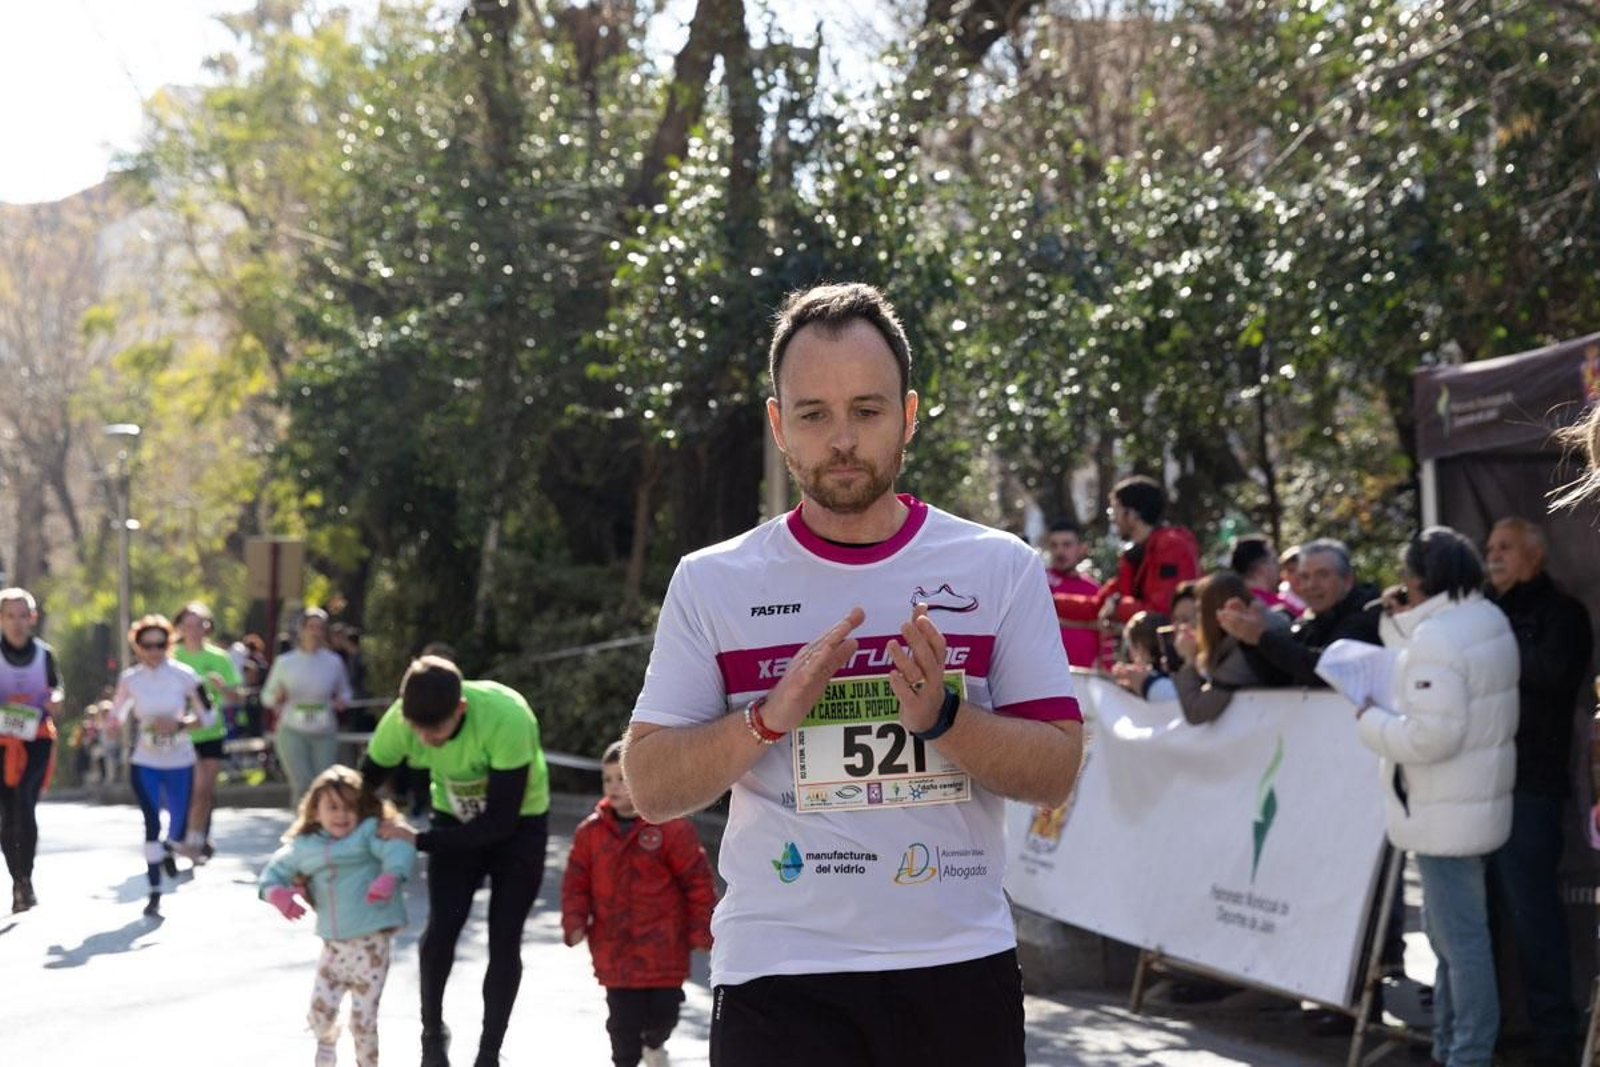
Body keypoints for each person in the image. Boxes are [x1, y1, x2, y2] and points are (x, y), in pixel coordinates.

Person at [623, 282, 1083, 1067]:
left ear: (909, 415)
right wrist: (767, 718)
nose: (842, 439)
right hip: (778, 973)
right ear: (779, 425)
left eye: (867, 411)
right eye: (814, 414)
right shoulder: (713, 580)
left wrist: (945, 718)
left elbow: (1056, 771)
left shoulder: (999, 566)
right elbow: (651, 785)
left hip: (956, 967)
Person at [1361, 526, 1518, 1067]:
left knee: (1459, 944)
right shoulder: (1486, 617)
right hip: (1472, 803)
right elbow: (1425, 663)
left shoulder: (1441, 636)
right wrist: (1397, 622)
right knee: (1454, 940)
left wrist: (1370, 721)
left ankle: (1466, 1054)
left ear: (1419, 578)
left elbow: (1431, 736)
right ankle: (1453, 1048)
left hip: (1444, 809)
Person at [358, 656, 551, 1067]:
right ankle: (432, 1034)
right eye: (417, 730)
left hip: (519, 824)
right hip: (452, 816)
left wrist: (420, 839)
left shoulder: (507, 717)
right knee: (442, 928)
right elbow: (358, 790)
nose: (425, 739)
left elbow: (499, 822)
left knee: (504, 938)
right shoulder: (400, 720)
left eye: (436, 731)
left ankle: (489, 1052)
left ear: (460, 709)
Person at [1484, 517, 1592, 1066]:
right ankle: (1491, 1032)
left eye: (1505, 547)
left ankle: (1554, 1042)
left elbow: (1551, 674)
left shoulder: (1563, 614)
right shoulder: (1482, 612)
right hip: (1476, 789)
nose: (1494, 556)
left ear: (1535, 556)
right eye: (1489, 548)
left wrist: (1489, 643)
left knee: (1534, 918)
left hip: (1530, 786)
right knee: (1480, 922)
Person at [562, 740, 716, 1067]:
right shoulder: (590, 833)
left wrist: (702, 930)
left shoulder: (671, 828)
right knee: (622, 1027)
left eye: (622, 778)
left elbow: (697, 881)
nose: (614, 786)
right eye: (608, 779)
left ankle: (655, 1043)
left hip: (664, 951)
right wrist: (574, 921)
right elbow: (576, 882)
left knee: (665, 1014)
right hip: (614, 952)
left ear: (645, 778)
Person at [259, 764, 416, 1067]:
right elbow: (273, 873)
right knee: (320, 1013)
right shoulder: (304, 846)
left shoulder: (368, 834)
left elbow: (398, 847)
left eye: (349, 807)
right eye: (332, 807)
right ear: (315, 810)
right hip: (333, 948)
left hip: (371, 946)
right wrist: (277, 894)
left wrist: (391, 876)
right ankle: (327, 1044)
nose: (341, 815)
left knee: (363, 1020)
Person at [112, 614, 213, 917]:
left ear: (169, 644)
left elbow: (208, 715)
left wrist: (180, 724)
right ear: (138, 647)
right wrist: (111, 725)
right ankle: (154, 890)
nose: (154, 651)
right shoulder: (130, 679)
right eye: (148, 645)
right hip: (145, 761)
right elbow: (117, 713)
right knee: (152, 823)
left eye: (160, 644)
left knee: (178, 825)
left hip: (180, 760)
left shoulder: (185, 675)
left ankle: (171, 848)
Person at [1220, 538, 1383, 688]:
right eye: (1304, 577)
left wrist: (1261, 637)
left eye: (1322, 575)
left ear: (1347, 580)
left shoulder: (1367, 615)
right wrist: (1249, 639)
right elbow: (1279, 678)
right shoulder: (1308, 624)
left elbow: (1328, 669)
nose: (1311, 585)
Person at [1054, 475, 1201, 634]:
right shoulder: (1135, 555)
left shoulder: (1172, 546)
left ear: (1132, 514)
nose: (1112, 519)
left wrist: (1117, 606)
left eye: (1114, 510)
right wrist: (1048, 601)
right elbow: (1098, 605)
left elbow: (1162, 611)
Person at [0, 587, 64, 912]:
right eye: (10, 616)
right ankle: (17, 880)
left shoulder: (44, 654)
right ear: (1, 619)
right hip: (2, 742)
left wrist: (56, 699)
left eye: (22, 615)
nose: (17, 623)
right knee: (6, 810)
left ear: (32, 618)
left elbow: (57, 687)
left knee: (25, 802)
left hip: (37, 738)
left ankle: (26, 877)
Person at [172, 602, 241, 862]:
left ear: (207, 627)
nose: (193, 630)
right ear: (180, 628)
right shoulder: (171, 656)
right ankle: (187, 835)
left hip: (211, 732)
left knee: (204, 789)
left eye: (198, 624)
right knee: (189, 790)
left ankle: (195, 841)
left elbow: (236, 697)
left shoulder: (220, 658)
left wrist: (223, 689)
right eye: (187, 625)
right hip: (180, 735)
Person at [262, 608, 353, 803]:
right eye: (311, 627)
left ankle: (321, 821)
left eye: (320, 628)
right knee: (302, 783)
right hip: (292, 730)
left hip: (324, 730)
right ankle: (301, 821)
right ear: (301, 630)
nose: (315, 632)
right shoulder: (285, 662)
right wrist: (277, 698)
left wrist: (342, 700)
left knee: (324, 783)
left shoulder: (334, 662)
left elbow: (346, 691)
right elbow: (266, 697)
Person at [1173, 572, 1287, 725]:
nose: (1197, 621)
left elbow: (1197, 711)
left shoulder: (1243, 650)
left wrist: (1189, 660)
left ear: (1212, 614)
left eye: (1199, 611)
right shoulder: (1266, 624)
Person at [1042, 518, 1105, 668]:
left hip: (1086, 676)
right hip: (1045, 673)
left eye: (1067, 545)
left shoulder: (1094, 590)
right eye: (1054, 545)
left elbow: (1105, 631)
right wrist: (1089, 624)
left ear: (1081, 548)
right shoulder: (1039, 582)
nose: (1059, 551)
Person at [1111, 611, 1178, 702]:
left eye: (1130, 646)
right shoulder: (1178, 672)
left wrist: (1142, 683)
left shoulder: (1156, 682)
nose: (1130, 656)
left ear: (1140, 647)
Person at [1228, 534, 1294, 613]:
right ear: (1260, 567)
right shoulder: (1277, 608)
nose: (1279, 567)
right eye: (1274, 561)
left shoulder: (1233, 604)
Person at [1277, 544, 1308, 616]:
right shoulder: (1278, 604)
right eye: (1291, 570)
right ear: (1283, 575)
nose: (1297, 575)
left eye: (1301, 569)